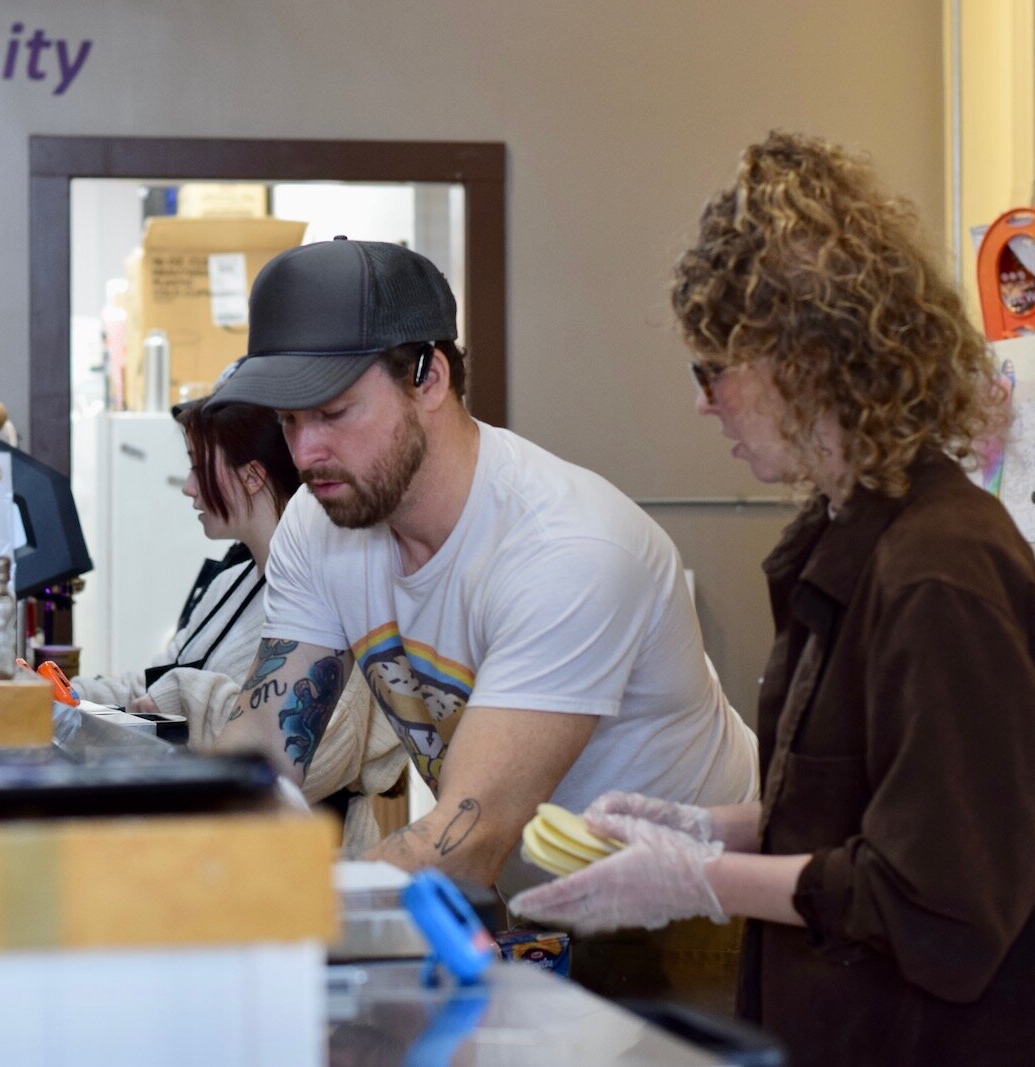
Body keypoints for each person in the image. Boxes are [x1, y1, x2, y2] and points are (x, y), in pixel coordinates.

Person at [510, 132, 1035, 1066]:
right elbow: (877, 812)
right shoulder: (853, 537)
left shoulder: (940, 573)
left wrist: (706, 880)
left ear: (802, 361)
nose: (703, 404)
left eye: (712, 370)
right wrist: (705, 828)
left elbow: (941, 899)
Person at [205, 236, 759, 899]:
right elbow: (266, 747)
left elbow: (468, 842)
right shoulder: (322, 521)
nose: (307, 450)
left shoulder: (569, 549)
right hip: (536, 904)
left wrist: (278, 900)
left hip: (692, 912)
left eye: (332, 412)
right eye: (289, 421)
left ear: (429, 377)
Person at [73, 396, 405, 852]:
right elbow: (154, 679)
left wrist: (186, 698)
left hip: (310, 866)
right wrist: (62, 695)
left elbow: (317, 755)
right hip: (224, 842)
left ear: (251, 476)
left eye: (197, 467)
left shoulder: (334, 589)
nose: (189, 487)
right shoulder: (231, 581)